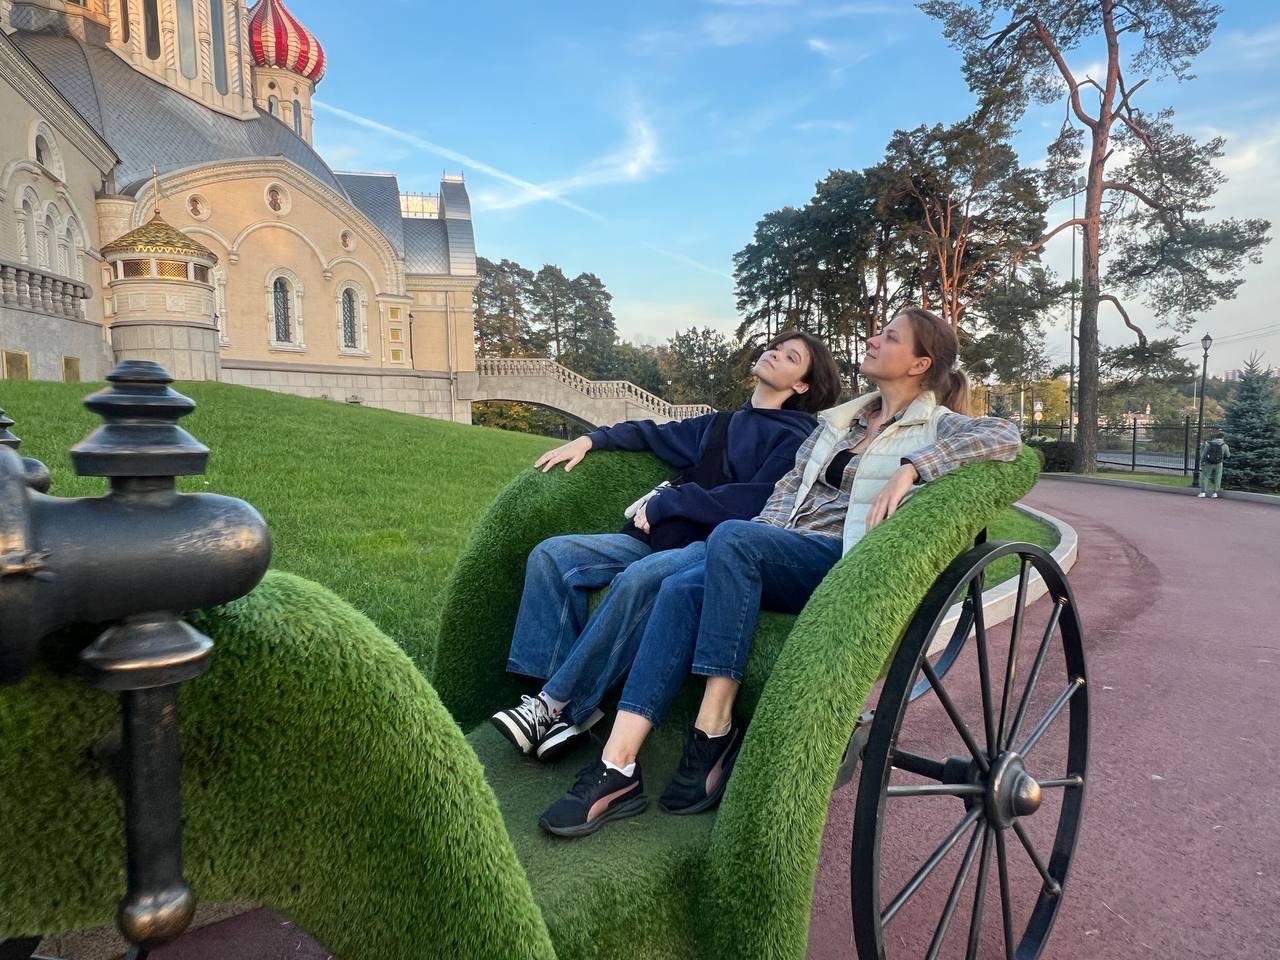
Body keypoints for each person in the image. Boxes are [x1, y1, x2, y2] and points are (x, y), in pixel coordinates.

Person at [539, 307, 1022, 837]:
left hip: (842, 559)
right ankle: (618, 766)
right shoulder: (839, 424)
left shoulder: (935, 424)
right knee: (679, 589)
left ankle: (713, 725)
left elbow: (1005, 436)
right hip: (782, 549)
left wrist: (913, 468)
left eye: (889, 337)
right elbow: (782, 499)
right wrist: (746, 544)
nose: (873, 339)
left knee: (732, 538)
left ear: (919, 364)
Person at [491, 331, 841, 763]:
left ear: (802, 385)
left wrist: (670, 502)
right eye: (776, 346)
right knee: (552, 556)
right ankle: (545, 705)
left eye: (790, 357)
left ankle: (560, 704)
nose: (774, 353)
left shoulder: (797, 438)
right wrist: (590, 440)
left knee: (639, 579)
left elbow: (757, 501)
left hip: (710, 550)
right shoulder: (719, 423)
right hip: (652, 540)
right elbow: (652, 433)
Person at [1199, 432, 1230, 498]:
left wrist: (1202, 461)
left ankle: (1203, 492)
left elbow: (1204, 454)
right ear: (1223, 437)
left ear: (1215, 437)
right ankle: (1215, 493)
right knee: (1218, 477)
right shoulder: (1224, 445)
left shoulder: (1209, 444)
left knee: (1205, 476)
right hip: (1219, 464)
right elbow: (1228, 455)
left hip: (1208, 463)